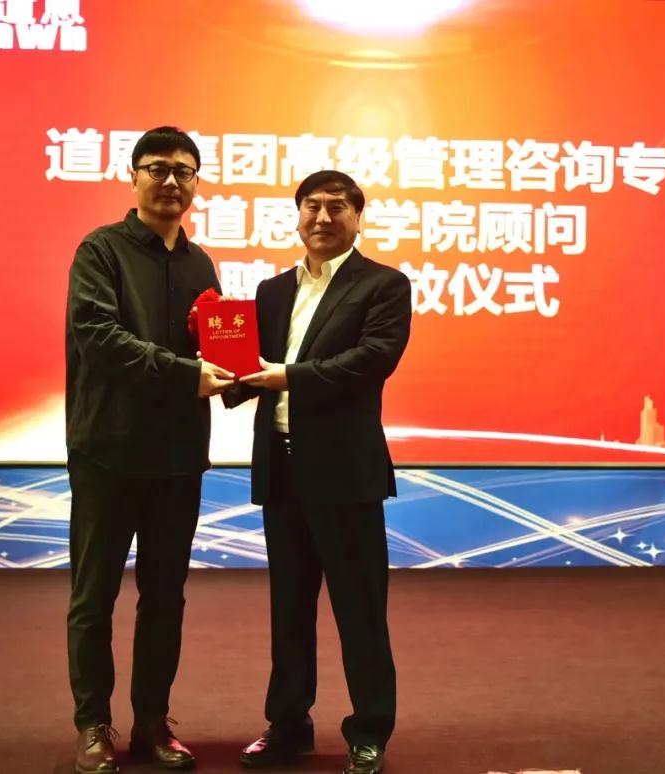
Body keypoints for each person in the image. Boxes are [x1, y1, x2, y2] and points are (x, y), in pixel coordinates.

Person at [226, 170, 411, 774]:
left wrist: (289, 376)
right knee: (289, 609)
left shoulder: (383, 285)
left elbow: (371, 361)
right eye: (312, 206)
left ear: (358, 217)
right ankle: (288, 725)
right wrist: (213, 368)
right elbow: (249, 368)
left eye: (337, 207)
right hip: (282, 468)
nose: (323, 218)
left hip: (345, 474)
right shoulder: (272, 290)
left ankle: (369, 731)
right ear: (297, 215)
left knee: (360, 609)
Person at [64, 126, 234, 774]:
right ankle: (93, 725)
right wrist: (186, 373)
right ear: (132, 176)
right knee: (94, 598)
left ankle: (152, 723)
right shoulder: (100, 251)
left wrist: (244, 373)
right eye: (157, 168)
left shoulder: (201, 266)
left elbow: (215, 350)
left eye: (183, 171)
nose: (170, 181)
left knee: (165, 598)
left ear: (196, 183)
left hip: (177, 458)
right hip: (108, 452)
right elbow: (98, 336)